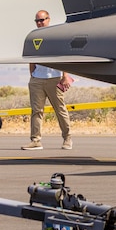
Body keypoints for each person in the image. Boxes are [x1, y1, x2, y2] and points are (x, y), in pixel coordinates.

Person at [22, 10, 73, 151]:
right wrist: (32, 75)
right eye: (37, 21)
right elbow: (30, 58)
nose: (40, 23)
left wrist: (65, 76)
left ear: (48, 19)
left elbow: (64, 58)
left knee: (60, 109)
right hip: (37, 79)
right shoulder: (33, 37)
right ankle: (35, 140)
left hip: (54, 78)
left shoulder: (55, 37)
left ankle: (67, 138)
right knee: (36, 111)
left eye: (42, 20)